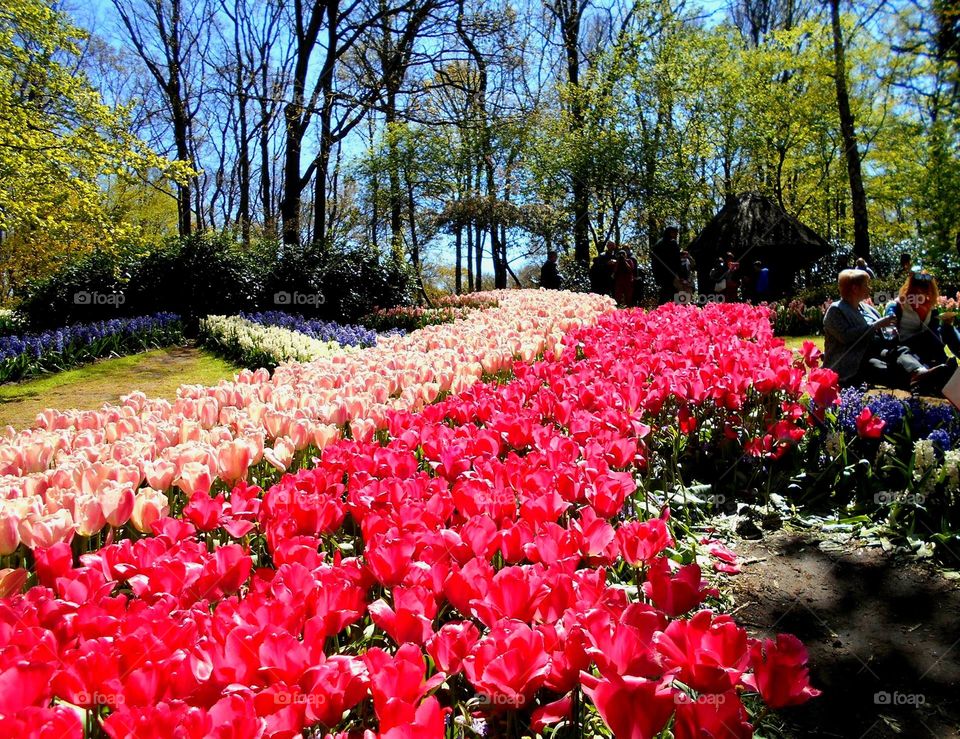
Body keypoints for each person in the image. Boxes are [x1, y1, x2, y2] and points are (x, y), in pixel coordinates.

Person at [823, 269, 945, 391]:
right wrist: (876, 325)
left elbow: (882, 331)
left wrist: (890, 332)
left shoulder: (867, 309)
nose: (870, 288)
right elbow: (846, 337)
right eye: (866, 284)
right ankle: (930, 381)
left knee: (901, 350)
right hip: (854, 362)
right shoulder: (836, 310)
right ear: (855, 288)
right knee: (887, 372)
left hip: (878, 352)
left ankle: (921, 372)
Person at [883, 268, 960, 369]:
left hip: (928, 346)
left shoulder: (932, 309)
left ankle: (945, 362)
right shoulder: (896, 306)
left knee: (947, 329)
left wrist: (946, 324)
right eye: (917, 291)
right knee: (929, 336)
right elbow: (889, 334)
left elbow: (935, 334)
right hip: (905, 348)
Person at [651, 226, 682, 304]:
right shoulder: (672, 243)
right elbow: (677, 259)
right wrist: (680, 274)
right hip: (670, 273)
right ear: (671, 232)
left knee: (669, 293)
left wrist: (656, 274)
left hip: (661, 274)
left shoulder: (657, 244)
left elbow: (654, 262)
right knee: (670, 293)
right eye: (675, 233)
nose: (676, 235)